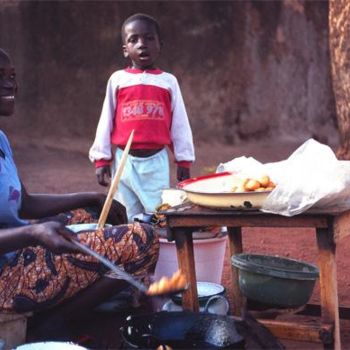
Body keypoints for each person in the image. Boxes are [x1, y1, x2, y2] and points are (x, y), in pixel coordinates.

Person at [0, 48, 159, 340]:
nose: (11, 85)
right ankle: (53, 325)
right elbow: (29, 224)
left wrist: (89, 197)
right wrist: (34, 234)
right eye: (0, 77)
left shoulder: (1, 139)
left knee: (94, 214)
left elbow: (23, 204)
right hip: (5, 278)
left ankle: (55, 313)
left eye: (11, 76)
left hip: (16, 252)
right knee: (144, 239)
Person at [89, 13, 195, 222]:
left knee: (157, 214)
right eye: (133, 39)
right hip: (123, 161)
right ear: (125, 50)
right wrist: (101, 159)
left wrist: (183, 160)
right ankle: (132, 253)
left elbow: (179, 124)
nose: (142, 44)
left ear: (160, 45)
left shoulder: (168, 82)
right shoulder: (118, 80)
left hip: (156, 162)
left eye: (149, 38)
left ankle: (158, 253)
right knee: (125, 214)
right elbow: (106, 119)